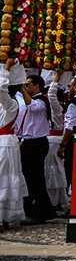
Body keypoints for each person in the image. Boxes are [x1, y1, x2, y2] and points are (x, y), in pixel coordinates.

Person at [16, 70, 54, 225]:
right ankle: (40, 209)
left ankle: (41, 211)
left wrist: (23, 90)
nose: (25, 87)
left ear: (37, 86)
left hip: (37, 143)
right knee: (31, 177)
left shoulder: (41, 101)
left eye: (28, 85)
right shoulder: (32, 100)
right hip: (29, 142)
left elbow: (32, 107)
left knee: (35, 178)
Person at [0, 60, 25, 229]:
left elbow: (1, 91)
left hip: (6, 144)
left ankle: (4, 216)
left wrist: (6, 69)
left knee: (4, 179)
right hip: (6, 143)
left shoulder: (12, 104)